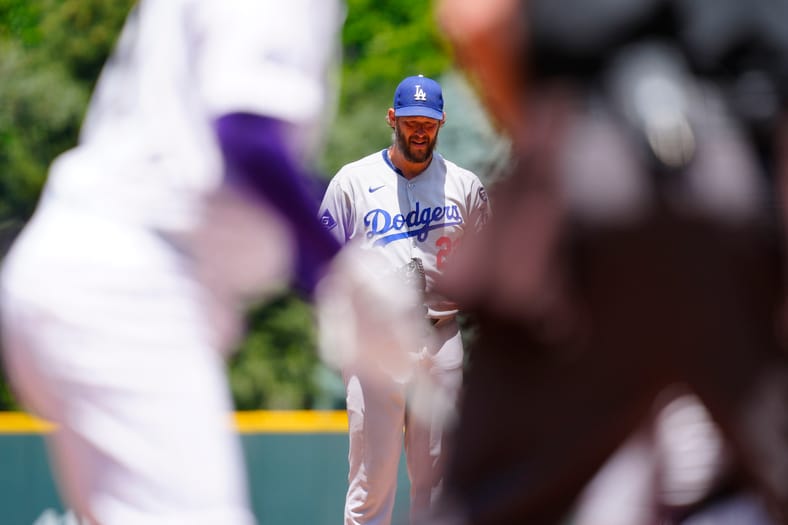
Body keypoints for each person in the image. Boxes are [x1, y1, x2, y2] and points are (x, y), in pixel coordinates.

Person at [428, 0, 788, 523]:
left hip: (589, 163)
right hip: (733, 180)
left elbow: (476, 18)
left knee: (492, 497)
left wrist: (539, 137)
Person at [0, 0, 346, 523]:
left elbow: (227, 166)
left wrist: (326, 267)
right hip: (126, 289)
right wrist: (340, 272)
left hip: (97, 268)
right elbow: (246, 136)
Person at [317, 74, 490, 525]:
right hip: (378, 345)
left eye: (428, 122)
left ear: (442, 122)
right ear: (392, 118)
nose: (419, 130)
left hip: (441, 338)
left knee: (436, 485)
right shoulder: (353, 182)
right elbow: (321, 264)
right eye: (411, 120)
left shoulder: (464, 185)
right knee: (371, 485)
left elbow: (490, 261)